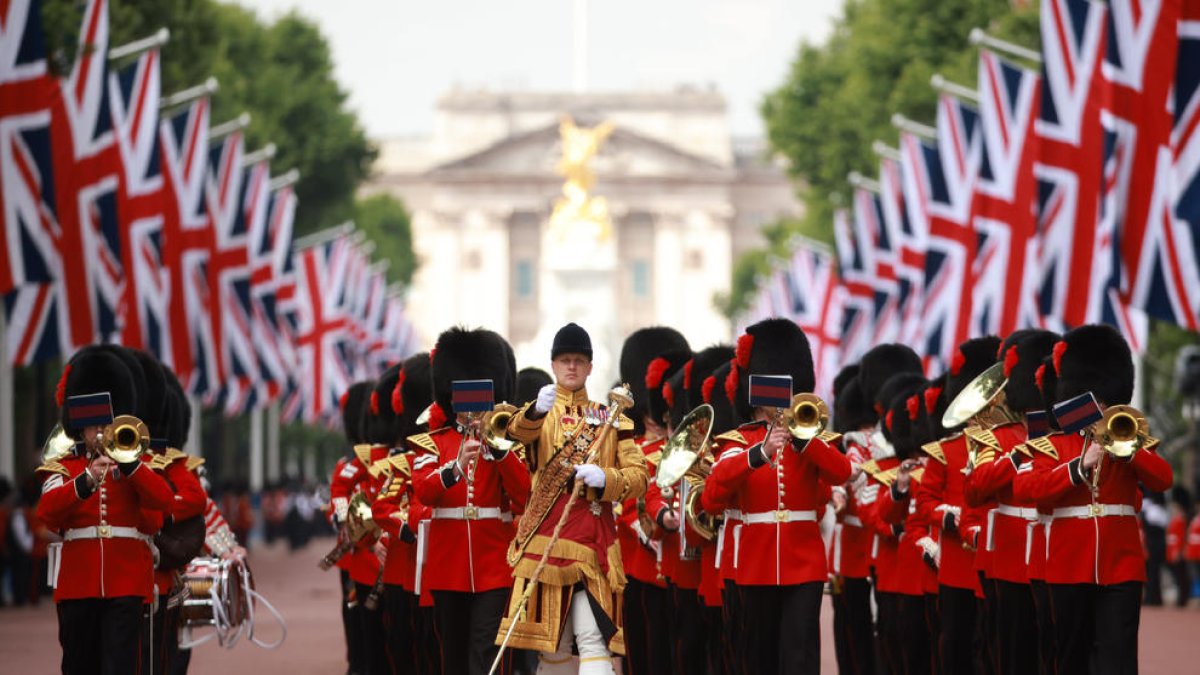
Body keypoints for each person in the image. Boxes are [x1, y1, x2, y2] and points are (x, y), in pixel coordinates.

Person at [1016, 325, 1173, 675]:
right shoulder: (1053, 444)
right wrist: (1077, 467)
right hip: (1068, 564)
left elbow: (1163, 478)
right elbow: (1030, 489)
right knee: (1072, 657)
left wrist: (1128, 450)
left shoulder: (1129, 437)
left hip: (1121, 565)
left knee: (1119, 658)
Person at [496, 322, 649, 675]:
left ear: (590, 367)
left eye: (578, 360)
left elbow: (638, 476)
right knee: (554, 648)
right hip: (546, 540)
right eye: (564, 360)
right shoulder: (537, 414)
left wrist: (606, 479)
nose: (571, 367)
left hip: (593, 543)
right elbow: (514, 437)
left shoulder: (611, 420)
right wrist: (535, 412)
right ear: (553, 364)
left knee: (593, 639)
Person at [703, 318, 852, 675]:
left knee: (800, 657)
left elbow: (842, 472)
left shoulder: (811, 442)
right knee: (759, 658)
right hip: (756, 563)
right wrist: (759, 453)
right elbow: (712, 495)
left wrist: (804, 440)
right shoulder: (738, 442)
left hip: (805, 562)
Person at [36, 345, 175, 674]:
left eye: (106, 425)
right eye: (93, 427)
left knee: (120, 665)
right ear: (79, 429)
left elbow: (164, 501)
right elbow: (48, 512)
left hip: (125, 582)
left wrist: (130, 468)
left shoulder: (138, 466)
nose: (100, 433)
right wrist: (86, 480)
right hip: (78, 582)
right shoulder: (64, 469)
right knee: (79, 664)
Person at [409, 328, 531, 675]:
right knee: (453, 657)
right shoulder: (433, 443)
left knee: (486, 655)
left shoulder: (504, 443)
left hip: (494, 564)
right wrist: (457, 465)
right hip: (448, 565)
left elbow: (524, 495)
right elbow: (425, 491)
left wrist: (499, 451)